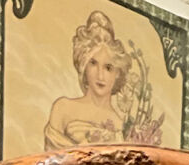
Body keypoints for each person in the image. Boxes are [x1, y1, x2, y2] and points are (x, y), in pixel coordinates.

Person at [45, 10, 131, 149]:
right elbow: (49, 163)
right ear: (84, 66)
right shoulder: (63, 108)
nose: (100, 76)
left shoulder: (121, 124)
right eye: (93, 63)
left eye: (108, 68)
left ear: (118, 73)